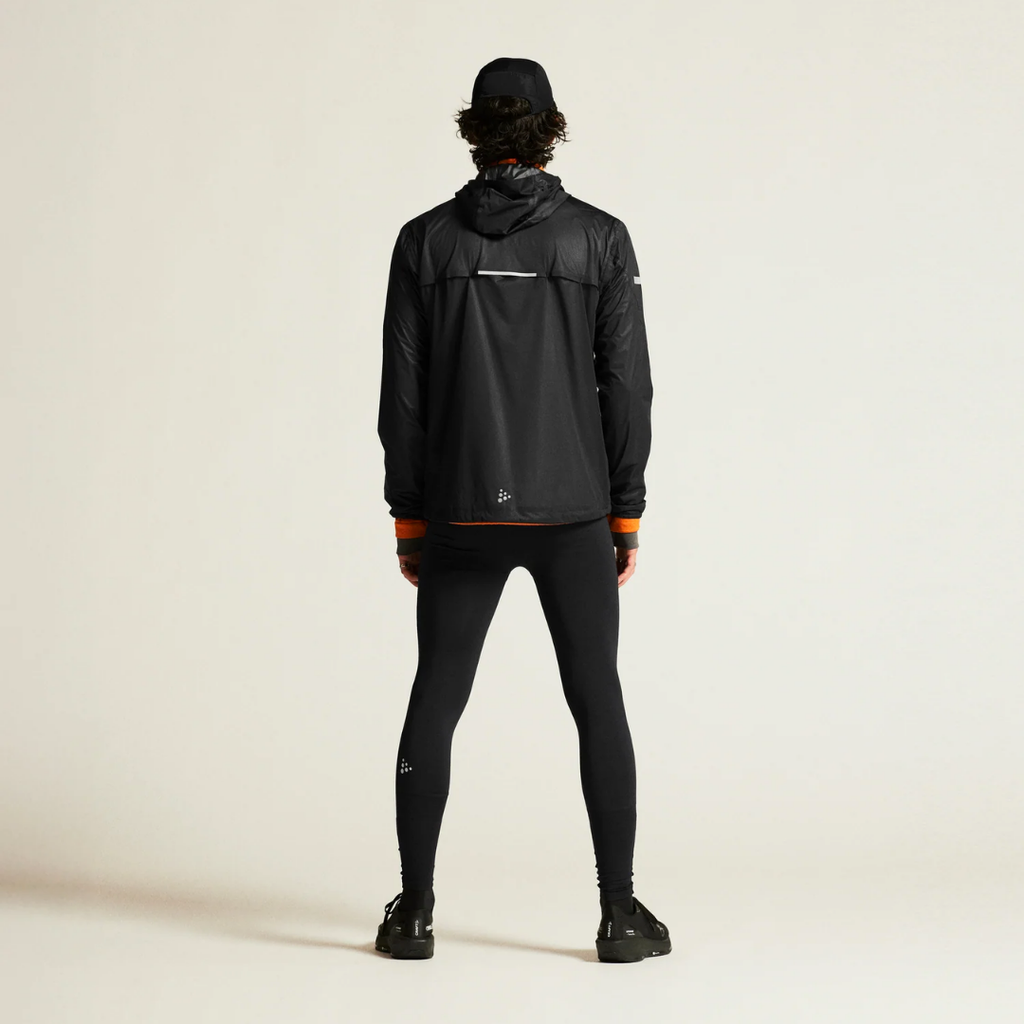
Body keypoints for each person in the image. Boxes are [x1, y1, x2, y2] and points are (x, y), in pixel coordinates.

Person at [373, 57, 669, 964]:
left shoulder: (425, 241)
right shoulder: (600, 239)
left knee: (435, 695)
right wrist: (625, 510)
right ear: (548, 132)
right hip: (573, 512)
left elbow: (402, 397)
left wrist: (410, 516)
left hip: (459, 512)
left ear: (475, 131)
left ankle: (414, 913)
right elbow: (626, 387)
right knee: (597, 700)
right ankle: (619, 916)